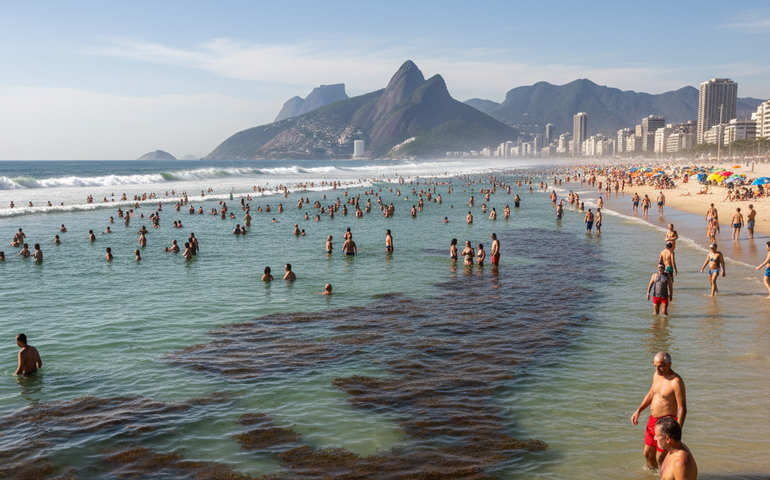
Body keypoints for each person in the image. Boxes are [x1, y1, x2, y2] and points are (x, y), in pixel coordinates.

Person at [631, 352, 687, 471]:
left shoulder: (676, 381)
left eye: (661, 366)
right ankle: (651, 476)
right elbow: (651, 393)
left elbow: (682, 408)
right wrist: (639, 410)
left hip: (667, 422)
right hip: (653, 420)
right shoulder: (656, 375)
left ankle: (666, 477)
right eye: (655, 366)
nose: (658, 369)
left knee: (661, 457)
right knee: (647, 454)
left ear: (670, 364)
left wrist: (677, 431)